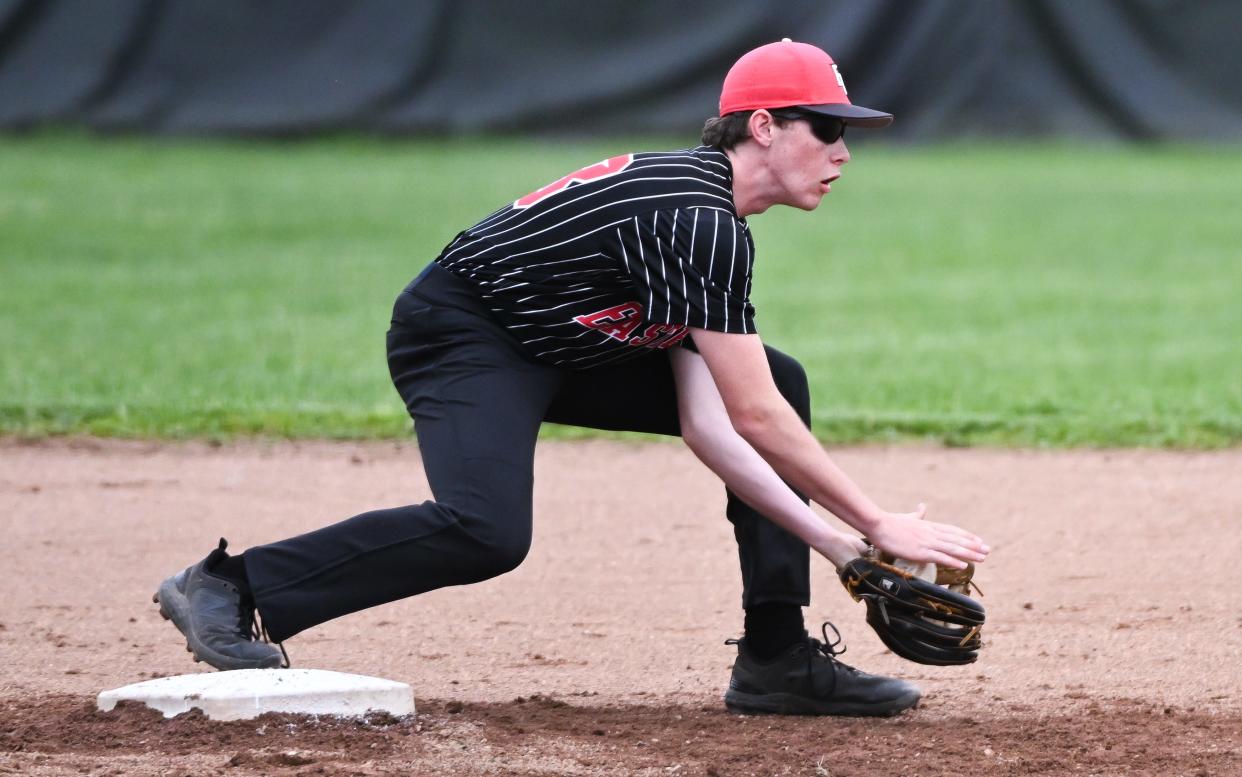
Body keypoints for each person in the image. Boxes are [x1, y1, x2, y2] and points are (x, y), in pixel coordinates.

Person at [154, 39, 989, 717]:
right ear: (764, 126)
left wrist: (845, 550)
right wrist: (877, 522)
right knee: (485, 529)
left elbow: (716, 428)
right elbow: (754, 419)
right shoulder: (696, 218)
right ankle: (230, 586)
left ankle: (776, 657)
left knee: (781, 373)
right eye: (826, 128)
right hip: (465, 334)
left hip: (566, 345)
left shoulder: (711, 218)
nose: (843, 151)